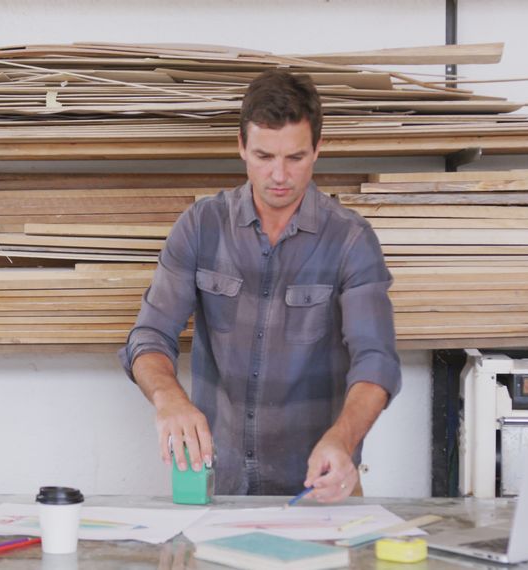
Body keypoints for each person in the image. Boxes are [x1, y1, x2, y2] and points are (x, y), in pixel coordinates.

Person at [118, 69, 400, 502]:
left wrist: (342, 440)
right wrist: (169, 399)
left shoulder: (351, 240)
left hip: (320, 484)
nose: (280, 175)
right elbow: (149, 336)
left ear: (318, 149)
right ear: (241, 147)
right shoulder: (200, 227)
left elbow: (376, 361)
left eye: (296, 157)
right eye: (265, 156)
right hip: (218, 485)